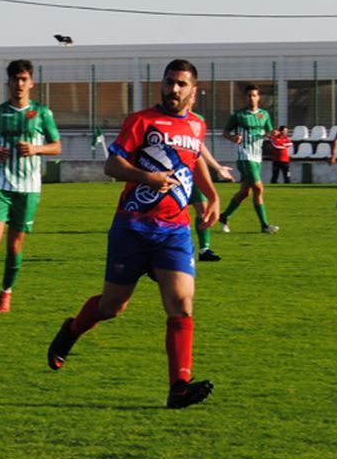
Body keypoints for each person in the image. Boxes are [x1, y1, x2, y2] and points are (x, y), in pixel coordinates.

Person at [45, 59, 220, 409]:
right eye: (169, 82)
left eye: (181, 84)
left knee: (181, 304)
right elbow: (112, 166)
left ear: (194, 91)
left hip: (174, 231)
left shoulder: (197, 126)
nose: (173, 89)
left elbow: (192, 159)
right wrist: (147, 177)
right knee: (112, 307)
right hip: (132, 228)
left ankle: (179, 386)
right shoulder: (141, 121)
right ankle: (72, 330)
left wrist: (211, 194)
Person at [0, 60, 60, 314]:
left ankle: (5, 294)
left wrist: (36, 149)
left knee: (15, 246)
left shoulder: (42, 113)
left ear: (31, 83)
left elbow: (56, 146)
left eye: (24, 79)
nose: (19, 84)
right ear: (8, 83)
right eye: (15, 80)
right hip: (0, 187)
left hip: (28, 189)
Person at [216, 84, 279, 234]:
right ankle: (264, 225)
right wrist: (233, 137)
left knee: (245, 192)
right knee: (258, 188)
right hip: (245, 156)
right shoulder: (239, 115)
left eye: (254, 95)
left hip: (257, 156)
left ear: (259, 97)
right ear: (245, 97)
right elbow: (225, 132)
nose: (251, 98)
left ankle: (224, 216)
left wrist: (274, 134)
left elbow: (269, 132)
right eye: (249, 95)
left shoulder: (264, 115)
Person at [192, 136, 236, 263]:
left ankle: (204, 249)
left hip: (193, 173)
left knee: (203, 209)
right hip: (167, 174)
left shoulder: (196, 121)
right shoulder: (154, 120)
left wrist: (217, 167)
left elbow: (199, 147)